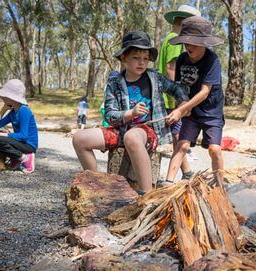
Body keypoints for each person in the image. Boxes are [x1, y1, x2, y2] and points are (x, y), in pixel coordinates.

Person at [72, 31, 189, 195]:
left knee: (132, 137)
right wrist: (129, 113)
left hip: (147, 132)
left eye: (145, 58)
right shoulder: (114, 83)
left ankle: (146, 193)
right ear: (124, 58)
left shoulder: (154, 77)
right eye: (136, 57)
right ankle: (99, 185)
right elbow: (110, 116)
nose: (141, 63)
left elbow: (177, 89)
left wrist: (181, 107)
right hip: (120, 130)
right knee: (79, 138)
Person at [164, 16, 225, 184]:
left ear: (205, 43)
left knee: (214, 149)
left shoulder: (212, 61)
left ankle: (220, 186)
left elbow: (205, 91)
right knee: (182, 145)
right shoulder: (182, 59)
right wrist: (182, 103)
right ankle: (168, 181)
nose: (189, 46)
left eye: (194, 43)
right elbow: (180, 87)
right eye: (186, 42)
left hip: (211, 112)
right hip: (191, 112)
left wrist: (182, 109)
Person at [157, 4, 201, 180]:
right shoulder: (175, 39)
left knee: (176, 134)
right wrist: (180, 97)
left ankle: (186, 171)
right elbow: (171, 67)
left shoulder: (169, 37)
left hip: (165, 95)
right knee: (178, 134)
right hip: (171, 97)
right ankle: (184, 173)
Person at [0, 79, 38, 173]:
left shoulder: (24, 111)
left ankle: (24, 157)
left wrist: (7, 135)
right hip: (19, 141)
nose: (1, 97)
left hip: (28, 145)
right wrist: (3, 110)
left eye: (4, 96)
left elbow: (24, 136)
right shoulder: (13, 112)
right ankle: (14, 156)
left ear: (12, 98)